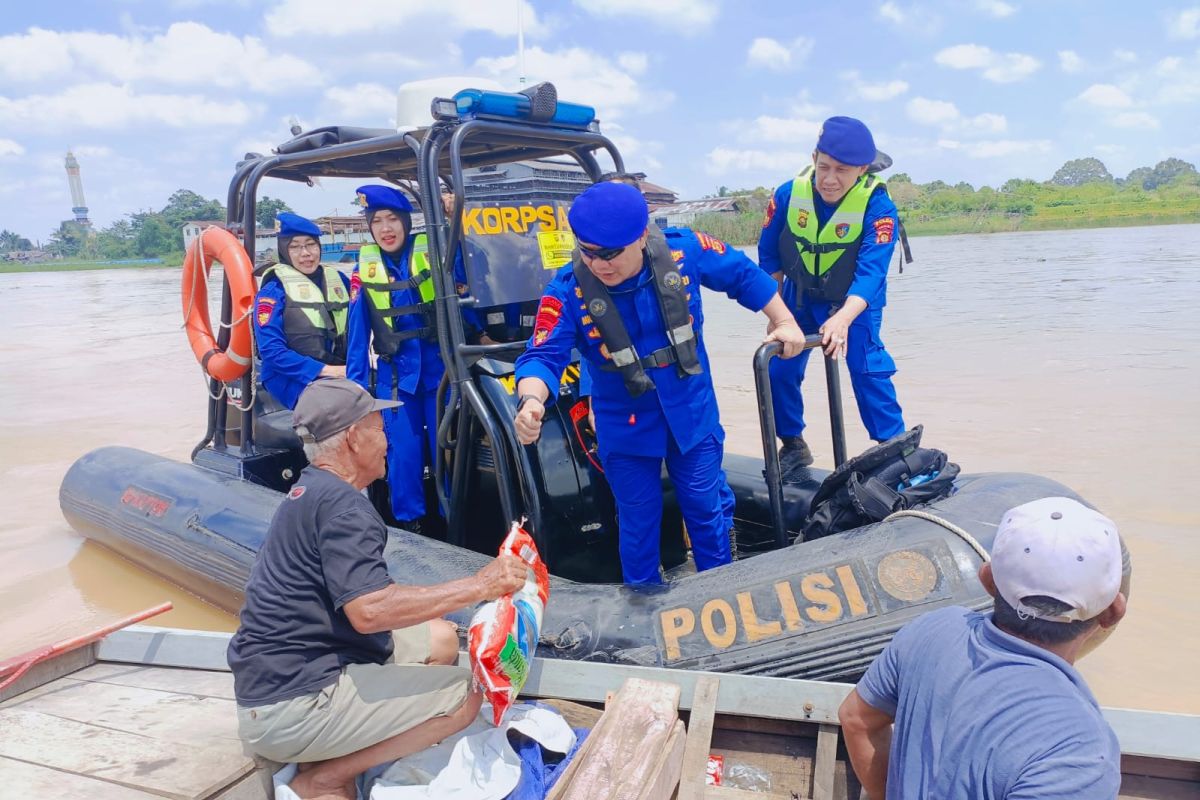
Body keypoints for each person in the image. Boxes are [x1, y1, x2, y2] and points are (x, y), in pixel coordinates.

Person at [227, 377, 527, 800]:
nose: (386, 440)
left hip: (279, 677)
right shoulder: (346, 508)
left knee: (440, 638)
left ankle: (347, 737)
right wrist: (481, 584)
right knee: (466, 695)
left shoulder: (310, 491)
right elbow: (368, 612)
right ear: (352, 438)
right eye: (378, 428)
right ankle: (326, 777)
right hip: (292, 704)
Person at [512, 181, 806, 585]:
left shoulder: (684, 250)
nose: (599, 264)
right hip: (625, 427)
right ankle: (644, 602)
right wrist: (531, 400)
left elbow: (743, 275)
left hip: (691, 413)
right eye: (588, 252)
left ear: (640, 238)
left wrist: (784, 320)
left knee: (706, 510)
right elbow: (543, 355)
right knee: (638, 522)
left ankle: (718, 591)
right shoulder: (567, 289)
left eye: (610, 254)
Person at [838, 497, 1127, 799]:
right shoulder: (1081, 752)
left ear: (987, 580)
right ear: (1112, 612)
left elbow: (857, 719)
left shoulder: (932, 630)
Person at [758, 116, 905, 471]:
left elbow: (871, 274)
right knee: (778, 366)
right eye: (823, 166)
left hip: (852, 303)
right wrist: (778, 314)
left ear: (861, 170)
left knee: (866, 367)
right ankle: (793, 444)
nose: (829, 179)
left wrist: (841, 318)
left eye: (841, 170)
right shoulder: (788, 194)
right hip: (799, 298)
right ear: (813, 158)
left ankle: (895, 452)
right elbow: (768, 256)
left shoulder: (878, 206)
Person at [346, 185, 443, 529]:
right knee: (404, 455)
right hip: (395, 380)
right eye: (377, 222)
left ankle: (452, 521)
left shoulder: (433, 253)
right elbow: (358, 339)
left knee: (445, 451)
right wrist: (356, 396)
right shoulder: (364, 270)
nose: (386, 229)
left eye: (392, 220)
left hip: (440, 377)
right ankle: (409, 525)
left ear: (405, 222)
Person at [255, 212, 351, 409]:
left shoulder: (339, 280)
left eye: (310, 244)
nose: (305, 253)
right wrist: (327, 371)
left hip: (340, 370)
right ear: (284, 250)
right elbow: (271, 351)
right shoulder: (273, 292)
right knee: (338, 415)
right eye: (295, 247)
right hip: (289, 377)